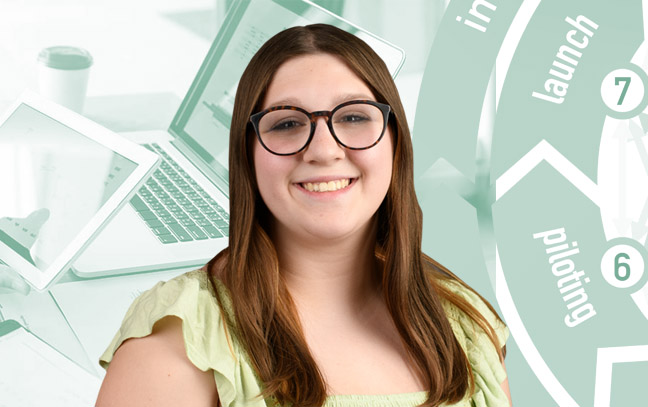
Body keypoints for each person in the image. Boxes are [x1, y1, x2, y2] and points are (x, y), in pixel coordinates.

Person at [96, 24, 511, 407]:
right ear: (248, 156)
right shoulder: (181, 337)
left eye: (353, 117)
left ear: (395, 144)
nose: (324, 150)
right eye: (287, 124)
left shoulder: (466, 326)